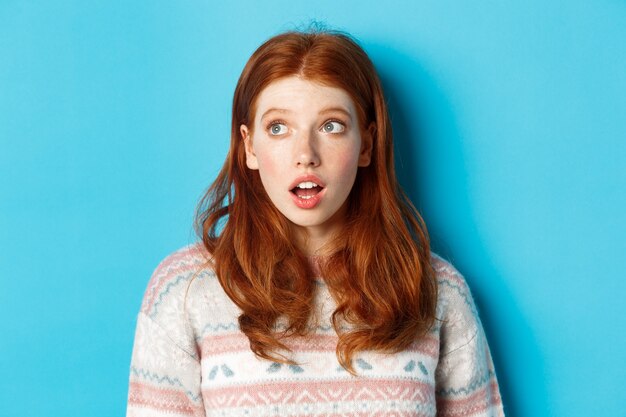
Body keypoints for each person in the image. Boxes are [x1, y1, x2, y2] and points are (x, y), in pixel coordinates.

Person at [126, 29, 504, 417]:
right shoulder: (183, 290)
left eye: (331, 126)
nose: (305, 154)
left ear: (367, 145)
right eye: (278, 127)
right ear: (249, 146)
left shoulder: (436, 290)